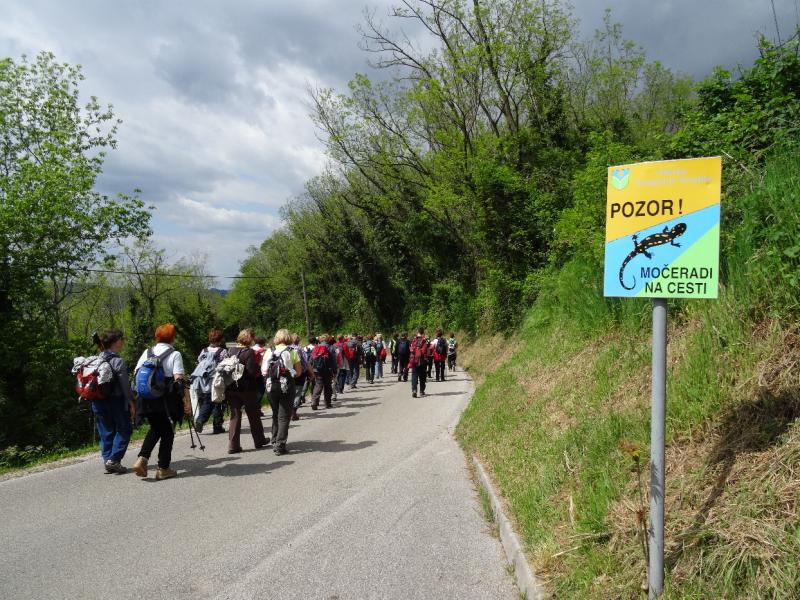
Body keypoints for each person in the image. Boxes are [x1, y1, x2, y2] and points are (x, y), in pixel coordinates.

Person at [132, 323, 186, 480]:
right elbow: (179, 379)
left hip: (146, 398)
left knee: (156, 428)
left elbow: (136, 373)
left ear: (157, 337)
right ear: (173, 337)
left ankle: (142, 458)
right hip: (166, 400)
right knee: (168, 432)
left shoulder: (147, 352)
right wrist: (185, 401)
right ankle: (163, 468)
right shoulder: (175, 354)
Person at [90, 329, 135, 474]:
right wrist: (131, 402)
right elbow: (125, 385)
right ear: (116, 342)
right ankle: (114, 459)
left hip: (97, 400)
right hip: (115, 400)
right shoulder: (117, 361)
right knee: (125, 428)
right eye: (121, 339)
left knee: (106, 431)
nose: (123, 341)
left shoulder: (95, 360)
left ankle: (108, 461)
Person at [226, 329, 269, 454]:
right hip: (246, 388)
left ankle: (233, 445)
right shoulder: (249, 352)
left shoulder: (230, 350)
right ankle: (259, 440)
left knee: (235, 415)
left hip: (231, 387)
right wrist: (258, 365)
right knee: (253, 414)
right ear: (250, 339)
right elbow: (251, 372)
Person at [262, 329, 302, 455]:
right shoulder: (292, 351)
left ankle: (274, 439)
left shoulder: (269, 351)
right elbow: (299, 372)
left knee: (275, 413)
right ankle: (280, 444)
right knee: (284, 416)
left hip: (271, 385)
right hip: (286, 385)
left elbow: (263, 370)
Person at [192, 329, 228, 435]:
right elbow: (225, 365)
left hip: (203, 380)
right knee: (217, 401)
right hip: (215, 380)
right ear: (220, 340)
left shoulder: (204, 351)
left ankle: (202, 421)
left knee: (206, 400)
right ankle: (216, 426)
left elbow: (200, 362)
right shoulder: (222, 351)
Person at [310, 334, 337, 409]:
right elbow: (333, 360)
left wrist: (312, 368)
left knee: (318, 385)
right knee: (327, 386)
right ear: (328, 339)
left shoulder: (316, 347)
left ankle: (314, 402)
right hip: (327, 369)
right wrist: (334, 370)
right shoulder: (331, 347)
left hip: (317, 370)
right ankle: (327, 403)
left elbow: (311, 359)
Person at [409, 328, 429, 398]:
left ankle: (414, 390)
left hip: (414, 360)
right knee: (422, 376)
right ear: (423, 332)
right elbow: (425, 351)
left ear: (417, 332)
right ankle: (421, 391)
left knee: (414, 375)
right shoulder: (424, 340)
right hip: (422, 361)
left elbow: (411, 349)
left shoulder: (413, 340)